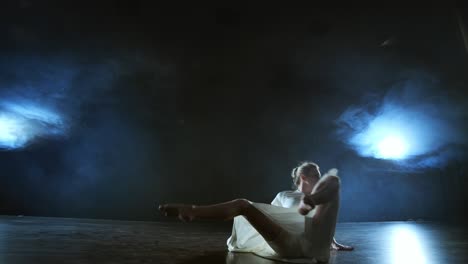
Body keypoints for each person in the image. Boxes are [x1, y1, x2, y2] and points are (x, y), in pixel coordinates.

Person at [159, 162, 353, 263]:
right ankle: (194, 211)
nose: (318, 181)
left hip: (308, 243)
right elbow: (266, 213)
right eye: (315, 177)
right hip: (287, 241)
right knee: (243, 205)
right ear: (303, 177)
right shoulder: (284, 195)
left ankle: (310, 202)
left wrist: (332, 242)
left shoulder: (322, 194)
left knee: (334, 181)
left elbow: (324, 220)